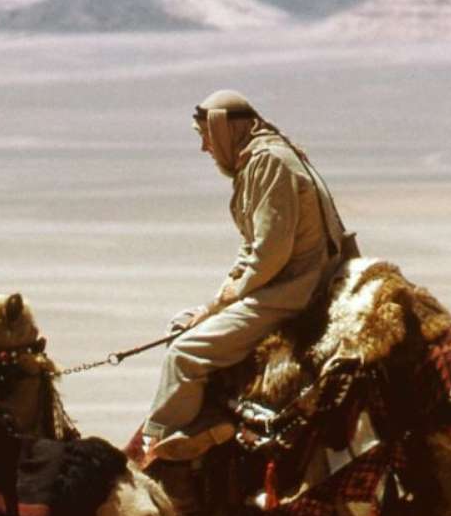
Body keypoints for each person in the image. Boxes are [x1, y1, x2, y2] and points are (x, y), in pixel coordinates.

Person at [142, 89, 347, 462]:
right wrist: (218, 300)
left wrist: (229, 297)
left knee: (185, 354)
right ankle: (211, 421)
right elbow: (253, 246)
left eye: (206, 135)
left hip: (295, 288)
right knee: (182, 324)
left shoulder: (269, 162)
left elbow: (271, 253)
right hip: (283, 279)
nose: (205, 148)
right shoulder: (262, 158)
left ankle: (162, 456)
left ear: (225, 128)